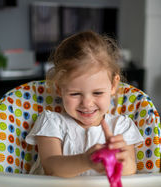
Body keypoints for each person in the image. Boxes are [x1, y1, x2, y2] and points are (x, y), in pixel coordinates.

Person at [25, 31, 144, 177]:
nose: (87, 103)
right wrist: (85, 161)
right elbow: (51, 168)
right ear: (59, 89)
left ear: (113, 85)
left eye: (97, 93)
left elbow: (131, 171)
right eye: (75, 94)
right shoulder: (52, 122)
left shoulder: (121, 127)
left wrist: (122, 160)